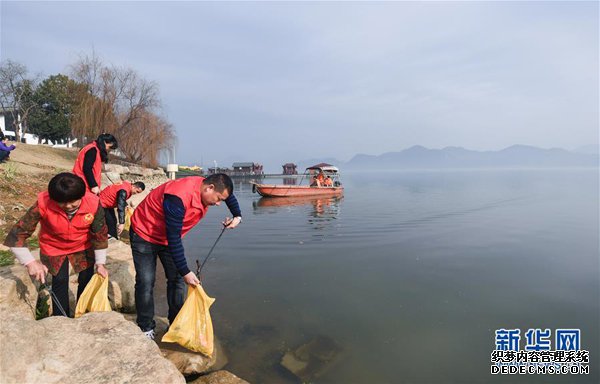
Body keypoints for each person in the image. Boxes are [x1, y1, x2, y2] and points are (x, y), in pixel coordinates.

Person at [129, 173, 242, 339]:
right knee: (146, 281)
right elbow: (174, 237)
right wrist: (186, 271)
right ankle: (146, 327)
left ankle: (176, 323)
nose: (218, 204)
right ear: (209, 188)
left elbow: (228, 195)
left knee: (176, 281)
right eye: (218, 199)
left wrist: (237, 215)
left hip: (167, 237)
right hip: (144, 234)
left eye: (221, 201)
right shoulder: (178, 198)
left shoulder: (209, 185)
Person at [3, 173, 109, 316]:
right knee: (60, 280)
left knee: (87, 277)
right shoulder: (43, 203)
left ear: (82, 196)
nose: (68, 206)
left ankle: (83, 313)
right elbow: (17, 234)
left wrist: (100, 263)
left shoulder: (93, 203)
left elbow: (99, 233)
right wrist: (30, 262)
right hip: (54, 246)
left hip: (83, 245)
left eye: (73, 202)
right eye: (62, 202)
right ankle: (61, 317)